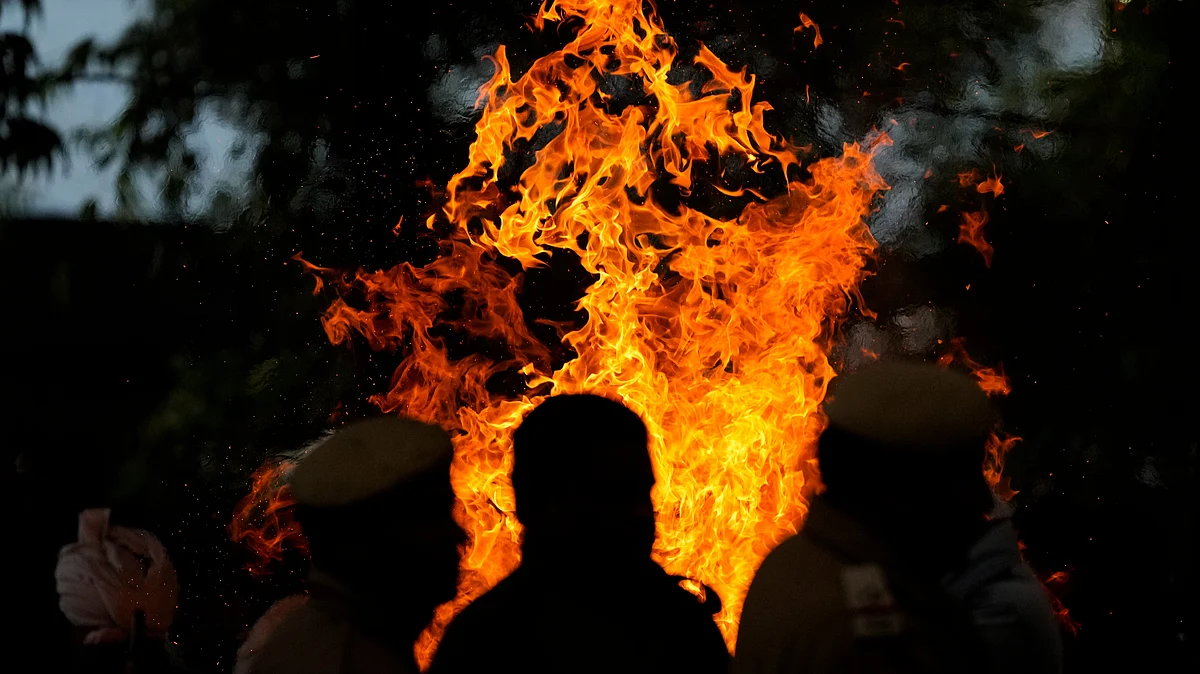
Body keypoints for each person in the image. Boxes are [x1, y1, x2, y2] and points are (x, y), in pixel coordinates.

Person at [733, 360, 1062, 674]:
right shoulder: (885, 630)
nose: (980, 498)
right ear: (894, 485)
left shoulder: (787, 566)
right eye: (958, 475)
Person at [429, 393, 730, 674]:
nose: (640, 515)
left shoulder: (681, 626)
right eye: (612, 495)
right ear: (534, 502)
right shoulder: (487, 646)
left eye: (641, 493)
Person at [239, 416, 466, 674]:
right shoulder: (350, 662)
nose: (459, 535)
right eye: (435, 519)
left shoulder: (335, 639)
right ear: (378, 542)